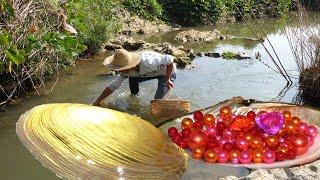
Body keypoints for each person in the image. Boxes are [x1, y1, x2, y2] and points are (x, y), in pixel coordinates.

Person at [93, 49, 177, 106]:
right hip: (148, 73)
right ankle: (134, 96)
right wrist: (98, 101)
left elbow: (170, 60)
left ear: (130, 66)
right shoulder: (126, 72)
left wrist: (168, 79)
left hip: (166, 73)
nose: (120, 71)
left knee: (157, 103)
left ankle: (164, 96)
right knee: (132, 78)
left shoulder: (149, 62)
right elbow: (113, 86)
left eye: (122, 69)